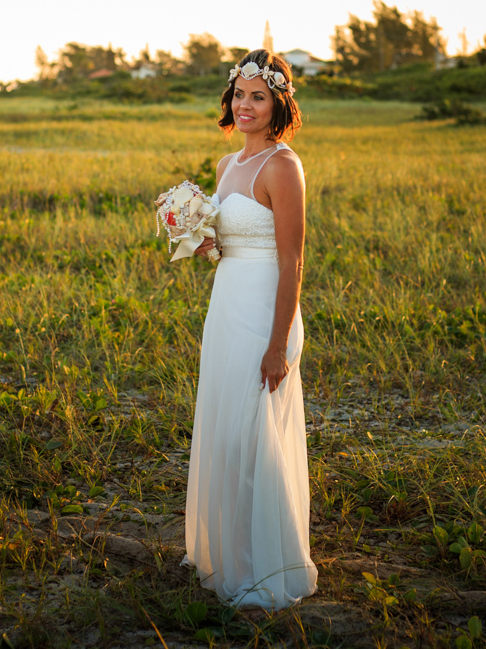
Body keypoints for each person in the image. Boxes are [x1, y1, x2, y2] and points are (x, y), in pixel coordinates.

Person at [183, 48, 318, 613]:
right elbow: (230, 246)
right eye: (239, 95)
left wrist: (275, 345)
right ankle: (230, 554)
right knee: (228, 432)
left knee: (255, 435)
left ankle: (270, 565)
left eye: (258, 96)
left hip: (266, 313)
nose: (245, 105)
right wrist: (205, 241)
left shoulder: (282, 166)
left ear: (278, 103)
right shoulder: (225, 165)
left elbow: (292, 263)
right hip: (227, 310)